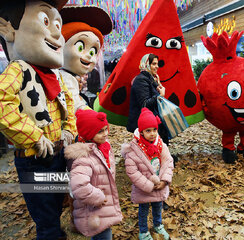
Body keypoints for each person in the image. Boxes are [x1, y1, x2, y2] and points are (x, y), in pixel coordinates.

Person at [0, 1, 77, 239]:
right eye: (46, 22)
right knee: (46, 219)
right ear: (8, 30)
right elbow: (2, 104)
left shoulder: (55, 76)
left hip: (58, 155)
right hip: (35, 160)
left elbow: (69, 103)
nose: (57, 34)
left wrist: (68, 129)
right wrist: (33, 136)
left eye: (58, 24)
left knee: (55, 207)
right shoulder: (17, 70)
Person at [64, 109, 123, 239]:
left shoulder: (103, 147)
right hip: (94, 209)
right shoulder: (84, 158)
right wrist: (98, 198)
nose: (105, 134)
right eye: (100, 131)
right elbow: (79, 186)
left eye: (106, 129)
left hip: (101, 207)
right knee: (103, 235)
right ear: (88, 133)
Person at [121, 108, 173, 240]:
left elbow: (168, 163)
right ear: (142, 132)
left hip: (159, 185)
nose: (152, 134)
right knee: (143, 210)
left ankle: (158, 224)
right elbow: (133, 172)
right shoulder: (134, 150)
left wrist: (164, 181)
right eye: (148, 130)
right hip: (144, 188)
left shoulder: (161, 146)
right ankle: (143, 231)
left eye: (154, 130)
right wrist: (148, 185)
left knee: (158, 206)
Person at [60, 4, 112, 112]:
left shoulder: (72, 77)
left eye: (93, 52)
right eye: (80, 47)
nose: (88, 55)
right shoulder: (64, 78)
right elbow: (74, 106)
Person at [127, 53, 169, 144]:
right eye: (153, 64)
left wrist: (158, 84)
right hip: (145, 125)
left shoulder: (150, 79)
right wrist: (160, 96)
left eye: (157, 64)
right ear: (145, 64)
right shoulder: (141, 80)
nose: (157, 66)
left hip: (151, 122)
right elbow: (145, 104)